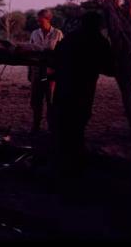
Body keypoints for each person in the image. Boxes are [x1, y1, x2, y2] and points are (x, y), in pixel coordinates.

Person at [51, 11, 114, 178]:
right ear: (98, 25)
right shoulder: (99, 42)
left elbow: (55, 59)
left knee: (63, 125)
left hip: (63, 89)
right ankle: (74, 166)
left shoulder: (70, 38)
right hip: (83, 90)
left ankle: (61, 164)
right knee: (77, 126)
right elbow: (109, 68)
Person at [28, 9, 64, 133]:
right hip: (37, 71)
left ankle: (51, 127)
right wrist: (30, 72)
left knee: (51, 100)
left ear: (48, 19)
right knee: (36, 100)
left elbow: (61, 54)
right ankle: (36, 125)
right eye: (38, 19)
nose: (38, 21)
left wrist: (55, 70)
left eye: (40, 19)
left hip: (51, 73)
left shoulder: (58, 33)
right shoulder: (34, 33)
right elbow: (30, 52)